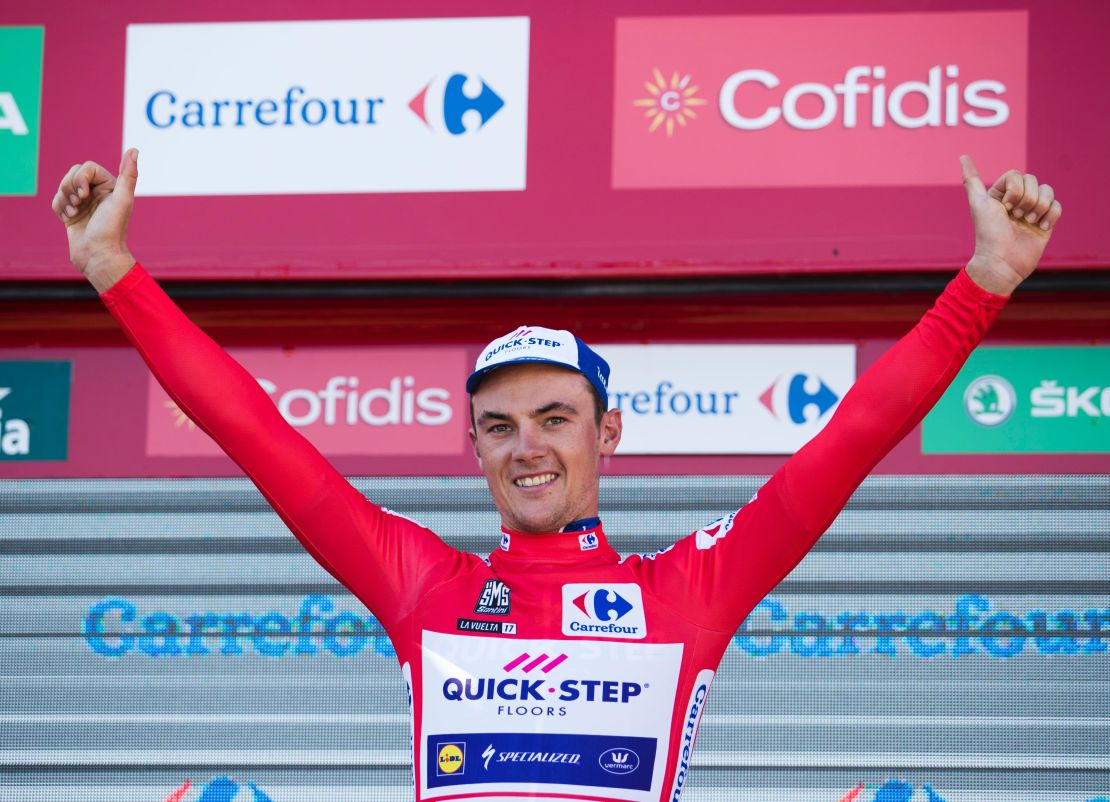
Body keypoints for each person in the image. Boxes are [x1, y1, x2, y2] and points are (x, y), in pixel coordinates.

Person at [52, 150, 1061, 802]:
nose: (525, 446)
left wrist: (984, 286)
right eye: (499, 426)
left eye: (552, 419)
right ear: (477, 446)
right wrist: (116, 273)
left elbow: (851, 439)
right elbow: (254, 429)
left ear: (607, 433)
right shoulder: (427, 585)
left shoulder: (683, 591)